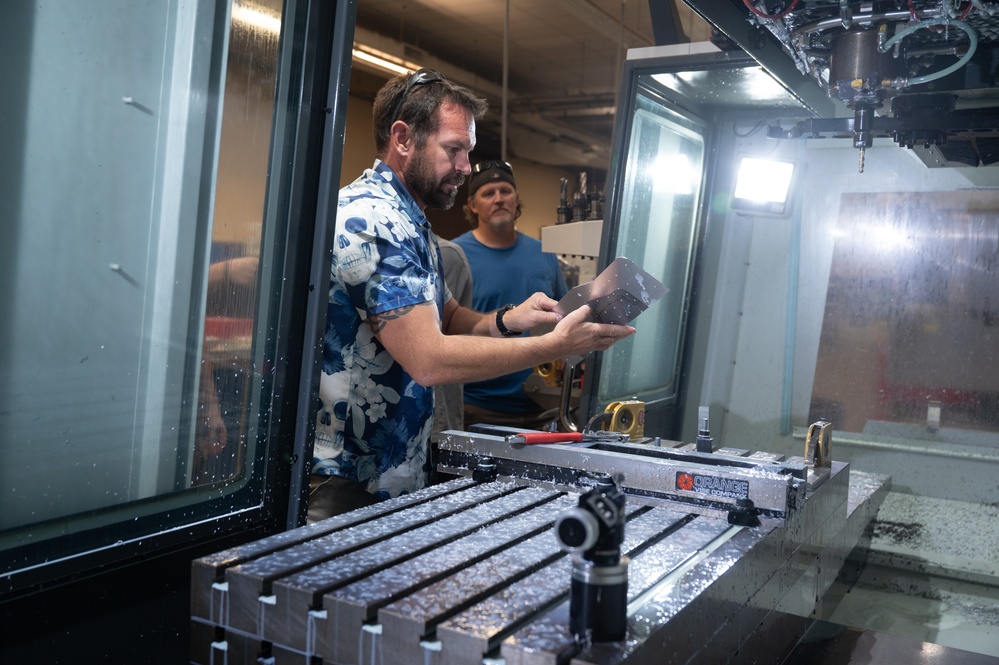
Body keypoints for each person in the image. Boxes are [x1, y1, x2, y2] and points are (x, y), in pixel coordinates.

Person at [308, 68, 634, 522]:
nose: (465, 167)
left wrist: (510, 320)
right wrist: (555, 346)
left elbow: (449, 316)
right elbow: (429, 359)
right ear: (403, 139)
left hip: (395, 466)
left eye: (468, 152)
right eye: (454, 150)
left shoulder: (412, 222)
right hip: (350, 476)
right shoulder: (374, 222)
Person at [454, 161, 569, 429]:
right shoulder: (455, 255)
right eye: (488, 193)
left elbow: (563, 314)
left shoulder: (544, 252)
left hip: (543, 407)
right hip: (478, 408)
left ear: (516, 198)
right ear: (472, 204)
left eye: (505, 191)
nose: (498, 199)